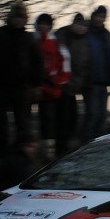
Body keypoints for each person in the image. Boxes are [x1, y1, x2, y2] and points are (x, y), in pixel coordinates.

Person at [0, 1, 42, 156]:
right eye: (16, 17)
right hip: (2, 85)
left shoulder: (29, 38)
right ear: (10, 18)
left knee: (22, 123)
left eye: (22, 17)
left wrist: (37, 85)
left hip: (22, 87)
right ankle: (0, 154)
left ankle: (21, 154)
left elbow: (38, 61)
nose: (18, 20)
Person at [34, 13, 69, 159]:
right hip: (37, 87)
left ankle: (51, 152)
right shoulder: (34, 41)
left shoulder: (57, 43)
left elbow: (65, 64)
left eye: (46, 24)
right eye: (41, 24)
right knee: (42, 120)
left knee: (52, 120)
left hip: (53, 89)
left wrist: (59, 82)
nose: (43, 26)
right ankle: (42, 151)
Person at [55, 13, 88, 156]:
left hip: (74, 86)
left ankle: (64, 148)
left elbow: (84, 65)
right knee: (62, 119)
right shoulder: (63, 37)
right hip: (62, 85)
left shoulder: (84, 41)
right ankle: (60, 150)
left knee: (73, 118)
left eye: (83, 25)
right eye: (78, 24)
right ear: (73, 24)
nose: (80, 27)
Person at [82, 5, 110, 143]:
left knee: (102, 116)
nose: (100, 19)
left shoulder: (106, 34)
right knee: (92, 115)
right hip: (90, 81)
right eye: (98, 16)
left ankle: (99, 144)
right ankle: (86, 144)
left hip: (104, 81)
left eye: (102, 17)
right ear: (93, 16)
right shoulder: (86, 33)